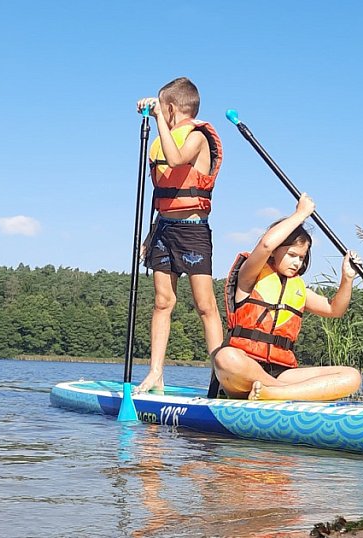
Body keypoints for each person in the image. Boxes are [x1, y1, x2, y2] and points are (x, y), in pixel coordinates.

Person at [211, 193, 362, 401]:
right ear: (274, 252)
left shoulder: (299, 291)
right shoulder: (249, 277)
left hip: (283, 373)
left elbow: (335, 309)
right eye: (291, 255)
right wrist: (300, 214)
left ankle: (273, 392)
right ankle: (291, 392)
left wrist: (347, 278)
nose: (297, 263)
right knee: (225, 357)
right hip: (243, 370)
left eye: (301, 257)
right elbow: (265, 245)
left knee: (351, 376)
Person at [134, 77, 223, 393]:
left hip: (193, 232)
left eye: (163, 108)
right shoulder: (161, 136)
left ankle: (220, 378)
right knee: (162, 302)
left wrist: (157, 116)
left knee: (204, 305)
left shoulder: (197, 137)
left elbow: (175, 160)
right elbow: (164, 192)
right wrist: (150, 234)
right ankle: (155, 373)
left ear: (170, 108)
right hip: (164, 228)